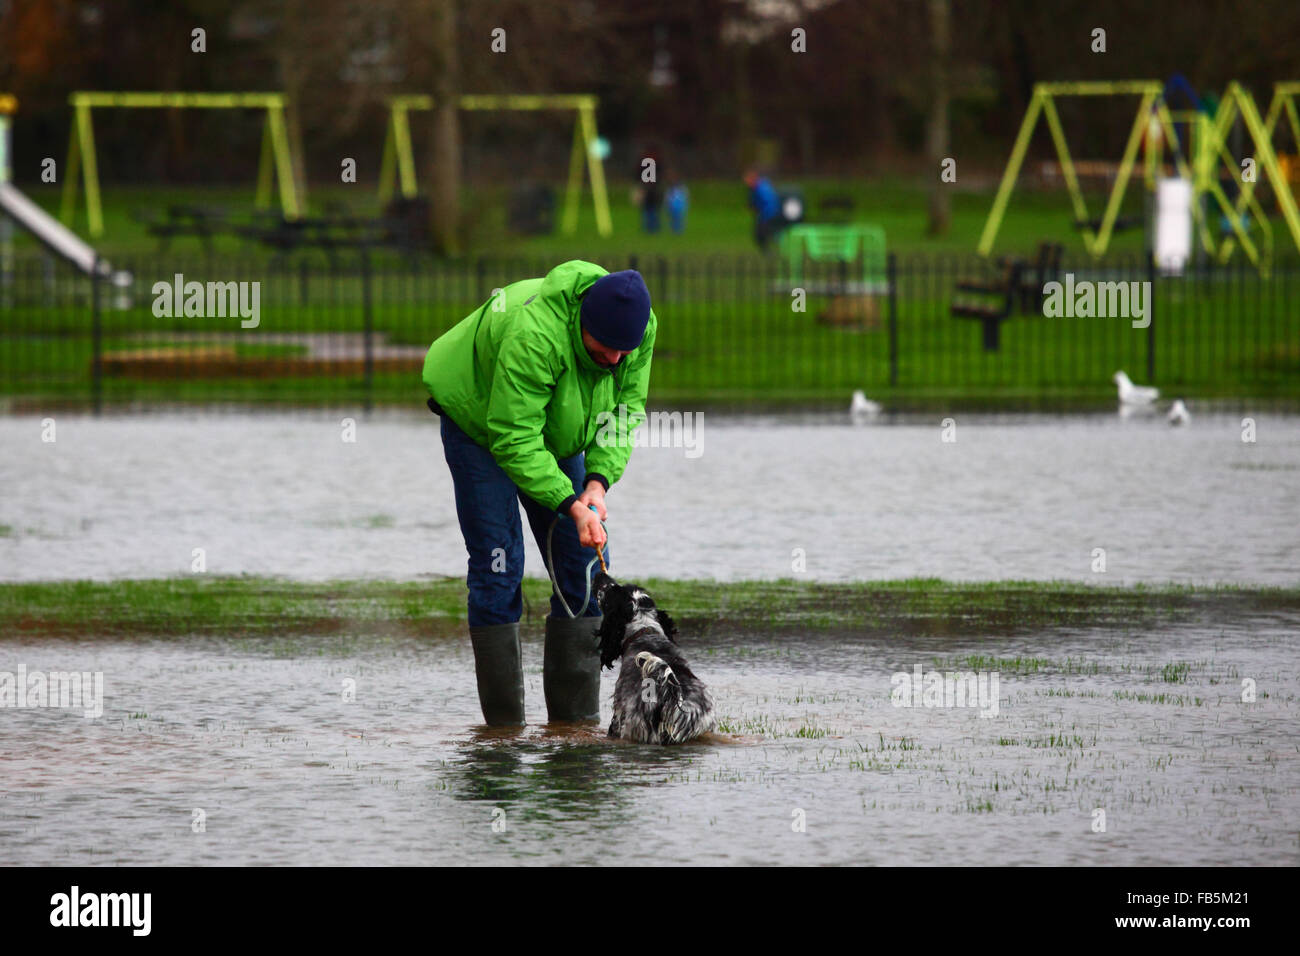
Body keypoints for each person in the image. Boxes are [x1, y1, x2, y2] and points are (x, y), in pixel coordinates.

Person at [423, 262, 656, 726]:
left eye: (622, 353)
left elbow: (626, 410)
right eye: (603, 349)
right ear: (582, 325)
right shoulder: (536, 338)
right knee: (499, 564)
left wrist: (596, 484)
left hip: (552, 426)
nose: (614, 361)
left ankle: (572, 728)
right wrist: (568, 504)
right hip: (479, 420)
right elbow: (512, 437)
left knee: (582, 560)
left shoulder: (637, 331)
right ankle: (503, 736)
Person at [744, 169, 782, 250]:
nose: (746, 182)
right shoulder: (757, 187)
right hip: (767, 215)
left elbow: (769, 203)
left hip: (768, 215)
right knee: (764, 235)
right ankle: (771, 250)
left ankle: (772, 250)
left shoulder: (762, 189)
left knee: (763, 234)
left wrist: (764, 216)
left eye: (747, 180)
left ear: (753, 179)